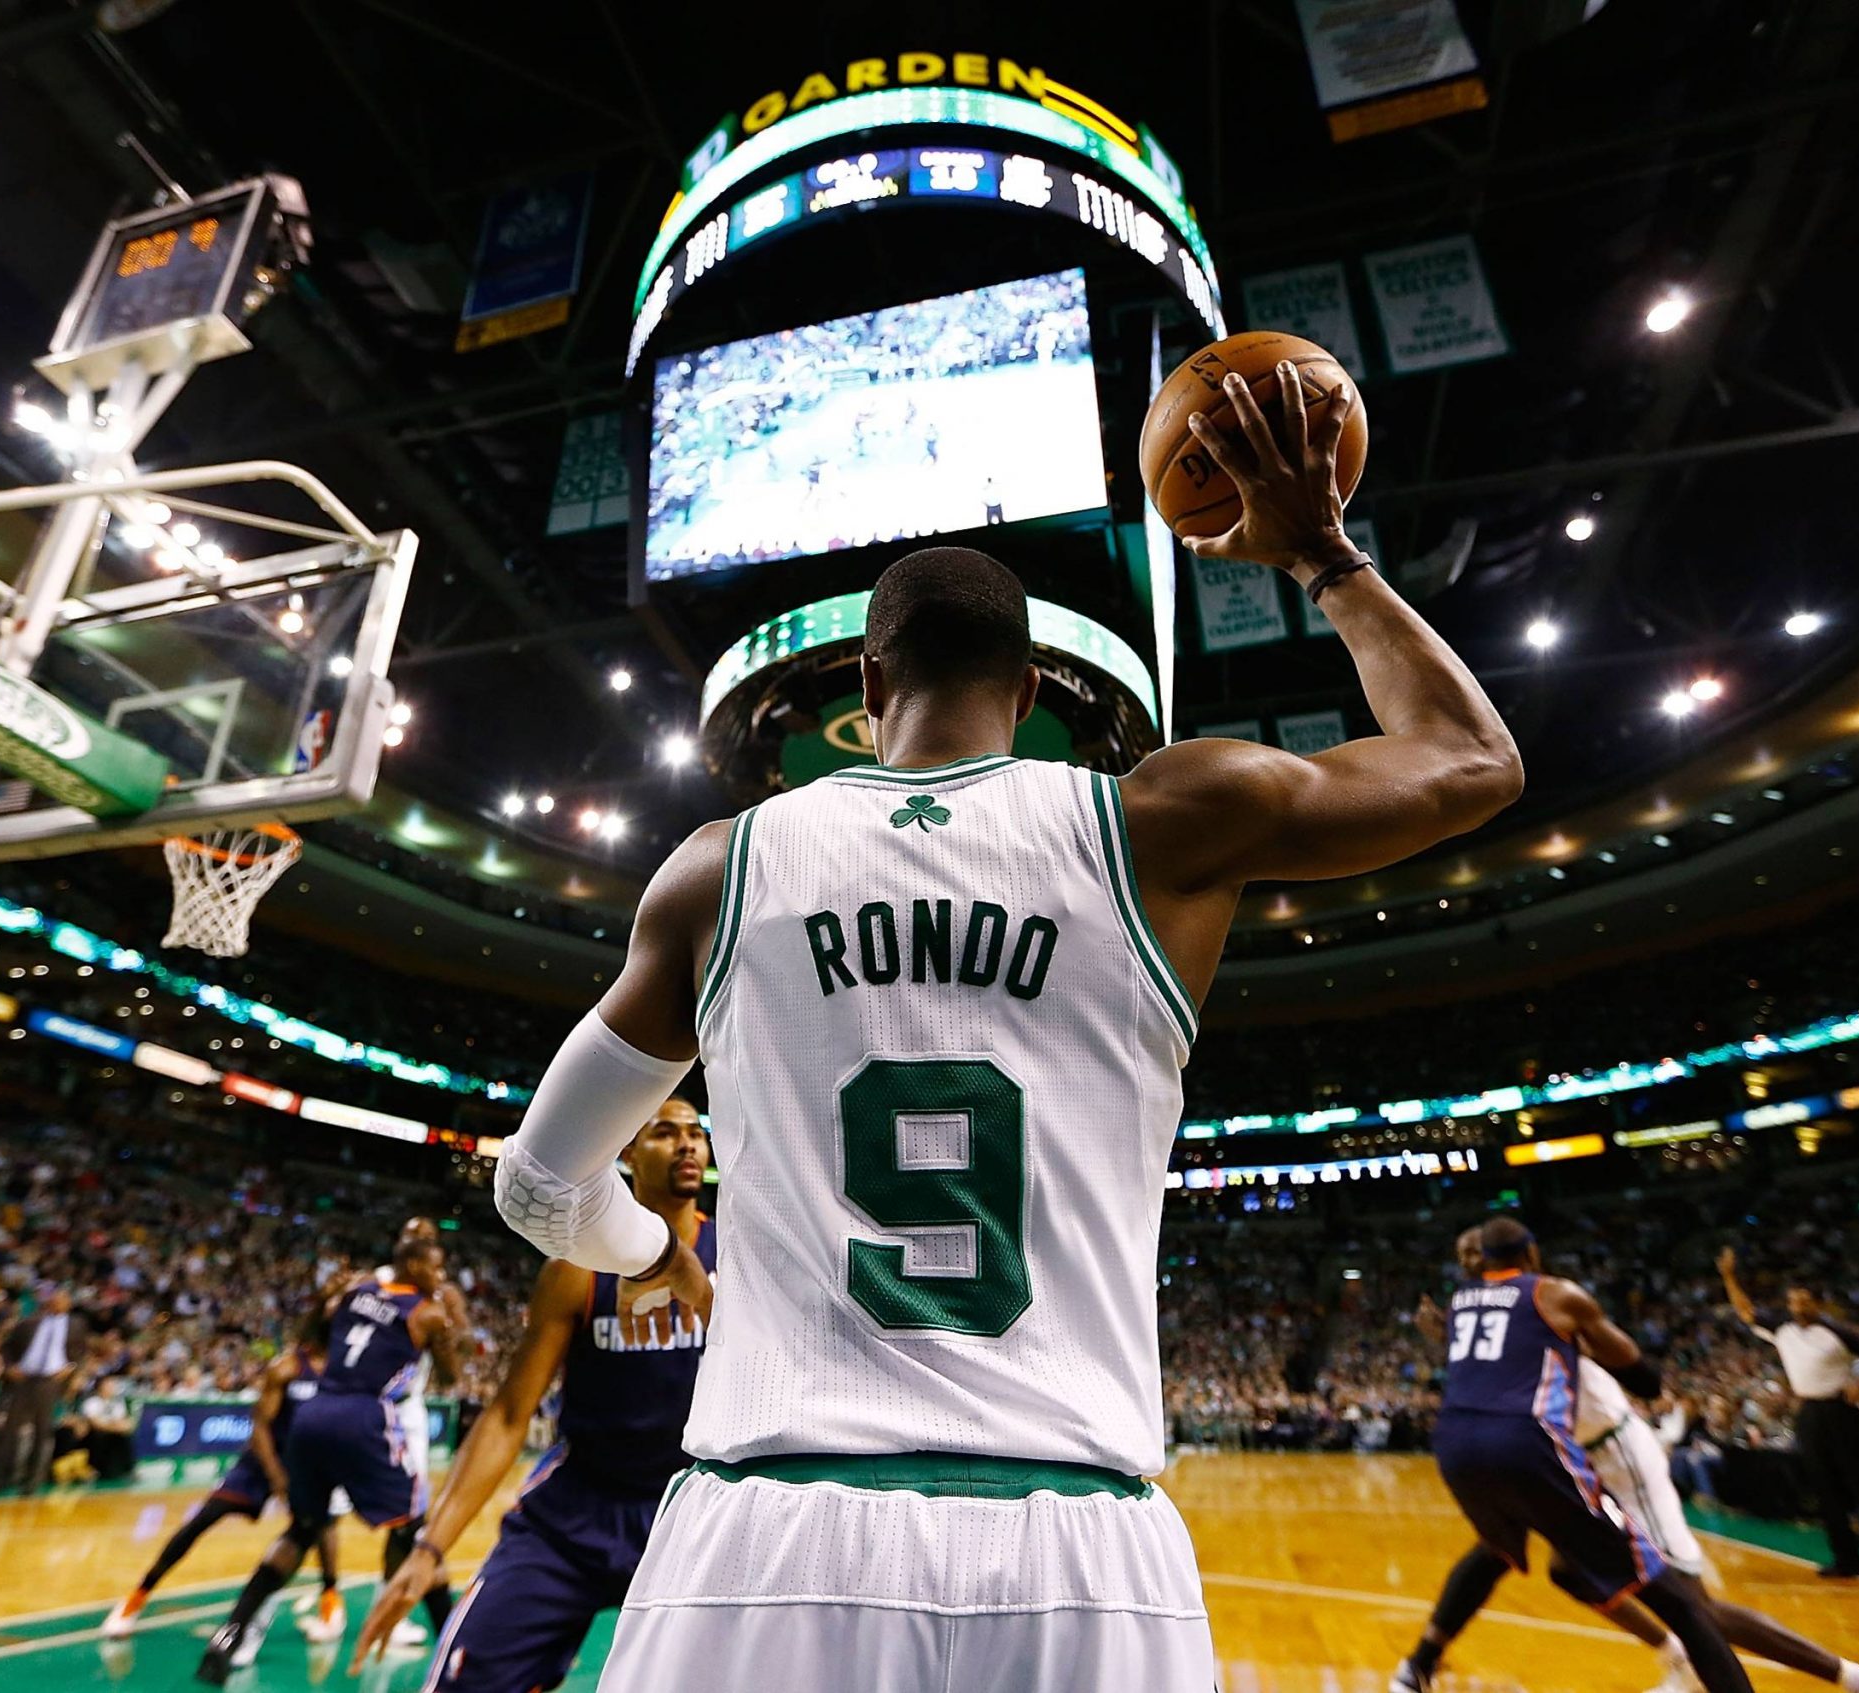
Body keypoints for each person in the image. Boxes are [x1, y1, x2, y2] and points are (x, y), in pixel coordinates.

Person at [490, 361, 1524, 1691]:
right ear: (1031, 687)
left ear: (867, 685)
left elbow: (534, 1186)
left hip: (765, 1524)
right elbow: (1472, 763)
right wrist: (1322, 554)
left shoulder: (716, 868)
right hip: (1080, 1545)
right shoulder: (1163, 821)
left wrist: (659, 1246)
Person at [1408, 1229, 1859, 1693]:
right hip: (1563, 1463)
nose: (1470, 1262)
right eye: (1463, 1255)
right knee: (1571, 1574)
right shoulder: (1482, 1313)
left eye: (1476, 1251)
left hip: (1615, 1455)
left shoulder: (1547, 1301)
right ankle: (1675, 1653)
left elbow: (1629, 1371)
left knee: (1694, 1605)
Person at [353, 1103, 714, 1687]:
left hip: (694, 1516)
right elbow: (507, 1414)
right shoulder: (576, 1269)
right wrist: (430, 1549)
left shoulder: (741, 1256)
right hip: (575, 1511)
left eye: (696, 1134)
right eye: (665, 1132)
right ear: (626, 1153)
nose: (687, 1146)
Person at [1393, 1218, 1751, 1693]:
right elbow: (1645, 1379)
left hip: (1455, 1444)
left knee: (1496, 1550)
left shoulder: (1460, 1303)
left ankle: (1416, 1667)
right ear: (1532, 1253)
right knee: (1673, 1594)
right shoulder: (1556, 1295)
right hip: (1534, 1446)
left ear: (1482, 1259)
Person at [196, 1231, 470, 1683]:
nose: (439, 1276)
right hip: (365, 1419)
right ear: (417, 1266)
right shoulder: (427, 1312)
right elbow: (449, 1374)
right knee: (415, 1532)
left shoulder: (355, 1291)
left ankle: (229, 1636)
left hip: (314, 1414)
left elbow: (316, 1332)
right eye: (435, 1267)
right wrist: (453, 1321)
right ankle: (456, 1655)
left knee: (302, 1530)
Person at [105, 1316, 340, 1639]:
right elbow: (259, 1427)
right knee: (200, 1521)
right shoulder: (287, 1368)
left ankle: (330, 1602)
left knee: (320, 1527)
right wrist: (276, 1476)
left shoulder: (345, 1374)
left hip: (307, 1467)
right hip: (261, 1465)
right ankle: (135, 1598)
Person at [1717, 1248, 1859, 1584]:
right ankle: (1846, 1560)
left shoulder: (1838, 1332)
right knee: (1825, 1489)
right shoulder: (1783, 1329)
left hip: (1841, 1410)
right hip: (1808, 1411)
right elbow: (1746, 1311)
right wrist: (1729, 1277)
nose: (1797, 1307)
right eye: (1793, 1301)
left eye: (1804, 1301)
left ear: (1817, 1304)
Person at [0, 1284, 89, 1495]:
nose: (58, 1302)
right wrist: (9, 1367)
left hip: (50, 1381)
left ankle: (32, 1483)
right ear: (48, 1302)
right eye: (54, 1299)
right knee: (11, 1431)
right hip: (23, 1379)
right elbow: (7, 1347)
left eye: (63, 1299)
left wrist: (71, 1369)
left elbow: (81, 1353)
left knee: (42, 1431)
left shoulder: (76, 1324)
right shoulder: (29, 1322)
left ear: (69, 1303)